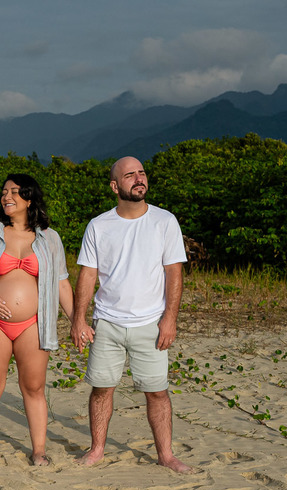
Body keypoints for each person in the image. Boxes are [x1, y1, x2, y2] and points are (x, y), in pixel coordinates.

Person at [70, 156, 192, 473]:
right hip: (107, 322)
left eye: (142, 173)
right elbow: (87, 274)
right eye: (129, 175)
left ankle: (166, 455)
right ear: (115, 186)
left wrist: (170, 319)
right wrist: (78, 319)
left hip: (151, 323)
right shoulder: (99, 226)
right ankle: (97, 450)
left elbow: (174, 272)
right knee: (101, 389)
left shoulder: (165, 221)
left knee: (157, 392)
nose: (139, 179)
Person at [0, 173, 74, 464]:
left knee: (34, 387)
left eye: (14, 191)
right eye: (4, 192)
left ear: (29, 199)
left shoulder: (50, 238)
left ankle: (39, 451)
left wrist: (77, 320)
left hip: (34, 324)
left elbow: (62, 284)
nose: (7, 197)